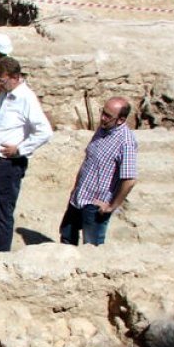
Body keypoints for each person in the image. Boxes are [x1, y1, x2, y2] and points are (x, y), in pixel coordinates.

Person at [0, 57, 53, 252]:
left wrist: (20, 149)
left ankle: (1, 255)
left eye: (2, 80)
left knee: (3, 212)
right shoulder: (7, 93)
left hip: (8, 163)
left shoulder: (26, 98)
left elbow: (45, 131)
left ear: (15, 77)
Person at [59, 97, 138, 246]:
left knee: (91, 246)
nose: (102, 118)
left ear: (120, 120)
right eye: (103, 112)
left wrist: (111, 206)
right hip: (79, 197)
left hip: (96, 205)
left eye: (108, 116)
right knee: (67, 236)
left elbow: (129, 180)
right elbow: (89, 161)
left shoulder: (126, 142)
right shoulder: (102, 129)